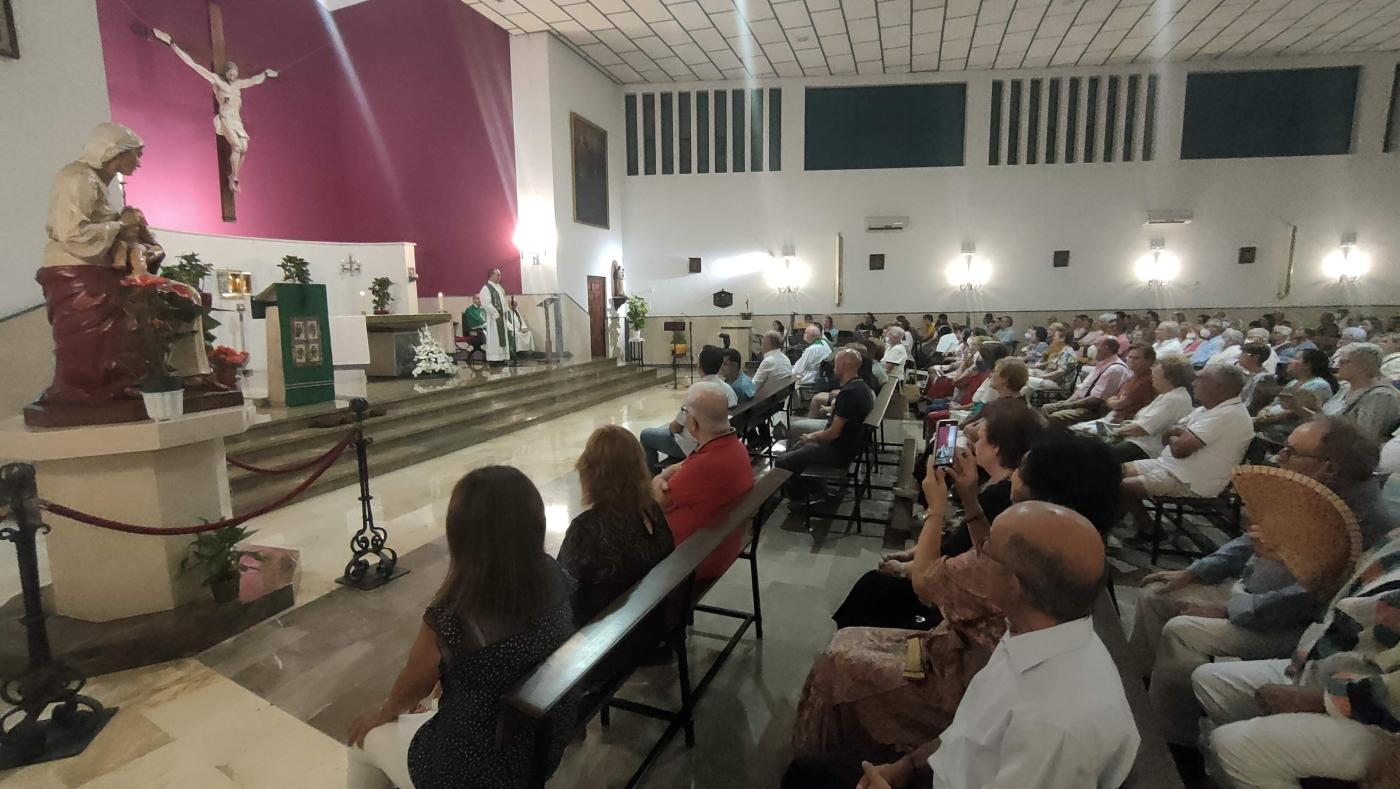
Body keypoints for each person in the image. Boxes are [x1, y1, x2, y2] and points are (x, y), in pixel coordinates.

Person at [792, 435, 1123, 764]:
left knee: (836, 658)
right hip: (976, 658)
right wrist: (970, 500)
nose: (1014, 474)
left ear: (1043, 495)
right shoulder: (1072, 551)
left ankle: (825, 758)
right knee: (851, 632)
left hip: (958, 677)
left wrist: (935, 510)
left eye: (1022, 467)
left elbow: (927, 582)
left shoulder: (1054, 726)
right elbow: (987, 553)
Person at [1132, 417, 1394, 748]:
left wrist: (1231, 609)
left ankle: (1171, 740)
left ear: (1330, 468)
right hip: (1252, 593)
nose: (1277, 459)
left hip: (1291, 623)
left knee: (1183, 631)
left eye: (1290, 452)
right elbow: (1249, 541)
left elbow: (1313, 599)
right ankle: (1140, 687)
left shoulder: (1365, 523)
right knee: (1156, 591)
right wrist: (1195, 571)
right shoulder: (1310, 491)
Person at [347, 466, 574, 789]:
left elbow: (412, 688)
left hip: (468, 770)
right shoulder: (552, 574)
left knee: (362, 742)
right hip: (540, 747)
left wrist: (383, 712)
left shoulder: (455, 614)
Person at [1192, 530, 1400, 788]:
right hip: (1337, 666)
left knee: (1236, 747)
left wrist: (1320, 700)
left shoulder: (1368, 520)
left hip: (1382, 718)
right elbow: (1341, 601)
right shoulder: (1391, 539)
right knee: (1211, 682)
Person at [36, 122, 212, 406]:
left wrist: (133, 230)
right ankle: (109, 384)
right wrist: (121, 224)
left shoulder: (95, 180)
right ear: (116, 152)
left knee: (183, 298)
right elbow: (72, 234)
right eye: (137, 155)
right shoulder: (78, 178)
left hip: (99, 271)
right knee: (125, 325)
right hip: (79, 275)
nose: (139, 163)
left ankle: (182, 374)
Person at [1121, 364, 1254, 544]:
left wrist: (1176, 433)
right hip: (1170, 466)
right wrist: (1177, 433)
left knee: (1119, 486)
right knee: (1114, 470)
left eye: (1201, 378)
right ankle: (1126, 519)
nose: (1194, 382)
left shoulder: (1228, 415)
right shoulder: (1208, 409)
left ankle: (1148, 529)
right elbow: (1169, 435)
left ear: (1218, 387)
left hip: (1190, 480)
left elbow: (1179, 450)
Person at [558, 426, 674, 628]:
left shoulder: (586, 529)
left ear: (590, 471)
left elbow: (562, 593)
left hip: (609, 637)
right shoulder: (650, 510)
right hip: (654, 620)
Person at [152, 28, 278, 193]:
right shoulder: (217, 81)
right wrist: (172, 44)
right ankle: (234, 177)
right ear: (226, 73)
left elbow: (255, 80)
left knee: (245, 147)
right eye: (231, 74)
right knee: (237, 147)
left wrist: (266, 74)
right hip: (225, 118)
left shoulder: (239, 84)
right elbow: (194, 65)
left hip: (237, 121)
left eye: (235, 75)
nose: (233, 77)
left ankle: (234, 175)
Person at [650, 382, 754, 579]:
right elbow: (679, 467)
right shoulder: (731, 446)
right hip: (718, 542)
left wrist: (657, 478)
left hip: (695, 557)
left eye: (685, 412)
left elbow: (659, 501)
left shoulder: (705, 464)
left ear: (693, 423)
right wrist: (664, 475)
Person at [776, 349, 875, 503]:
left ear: (842, 367)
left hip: (839, 452)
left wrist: (811, 437)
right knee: (797, 448)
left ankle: (801, 501)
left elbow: (833, 433)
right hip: (851, 446)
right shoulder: (862, 387)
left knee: (783, 461)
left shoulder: (848, 394)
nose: (834, 369)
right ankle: (814, 490)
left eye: (836, 365)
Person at [639, 347, 736, 474]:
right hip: (720, 440)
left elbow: (676, 427)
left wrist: (671, 429)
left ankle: (653, 479)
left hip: (691, 445)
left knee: (646, 434)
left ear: (699, 366)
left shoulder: (696, 391)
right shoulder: (728, 389)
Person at [1103, 355, 1196, 463]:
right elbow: (1143, 422)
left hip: (1144, 449)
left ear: (1169, 379)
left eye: (1155, 376)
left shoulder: (1173, 399)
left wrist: (1113, 431)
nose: (1152, 379)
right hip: (1136, 442)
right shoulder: (1169, 395)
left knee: (1092, 452)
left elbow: (1141, 429)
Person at [1309, 343, 1400, 440]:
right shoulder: (1346, 388)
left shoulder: (1379, 396)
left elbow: (1367, 436)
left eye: (1343, 362)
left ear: (1363, 366)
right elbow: (1325, 420)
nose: (1337, 366)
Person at [1255, 348, 1337, 443]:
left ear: (1308, 365)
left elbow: (1293, 413)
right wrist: (1263, 412)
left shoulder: (1319, 385)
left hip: (1291, 433)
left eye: (1296, 358)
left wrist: (1263, 421)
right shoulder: (1293, 383)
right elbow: (1274, 403)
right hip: (1271, 428)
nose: (1290, 361)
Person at [1040, 337, 1130, 424]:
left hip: (1093, 409)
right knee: (1047, 408)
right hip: (1080, 403)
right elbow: (1082, 388)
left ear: (1106, 348)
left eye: (1096, 345)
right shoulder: (1102, 364)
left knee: (1056, 416)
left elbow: (1098, 399)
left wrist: (1070, 405)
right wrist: (1068, 401)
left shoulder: (1115, 369)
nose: (1092, 348)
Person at [477, 268, 514, 364]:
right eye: (497, 275)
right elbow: (486, 304)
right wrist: (496, 314)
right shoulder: (486, 288)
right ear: (491, 275)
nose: (499, 277)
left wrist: (505, 311)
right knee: (495, 339)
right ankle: (494, 359)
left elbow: (503, 302)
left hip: (501, 317)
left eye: (499, 275)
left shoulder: (498, 287)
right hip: (494, 319)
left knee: (501, 338)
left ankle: (501, 358)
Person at [1237, 342, 1278, 414]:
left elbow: (1253, 406)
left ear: (1256, 357)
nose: (1239, 356)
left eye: (1243, 353)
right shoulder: (1251, 374)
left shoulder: (1264, 379)